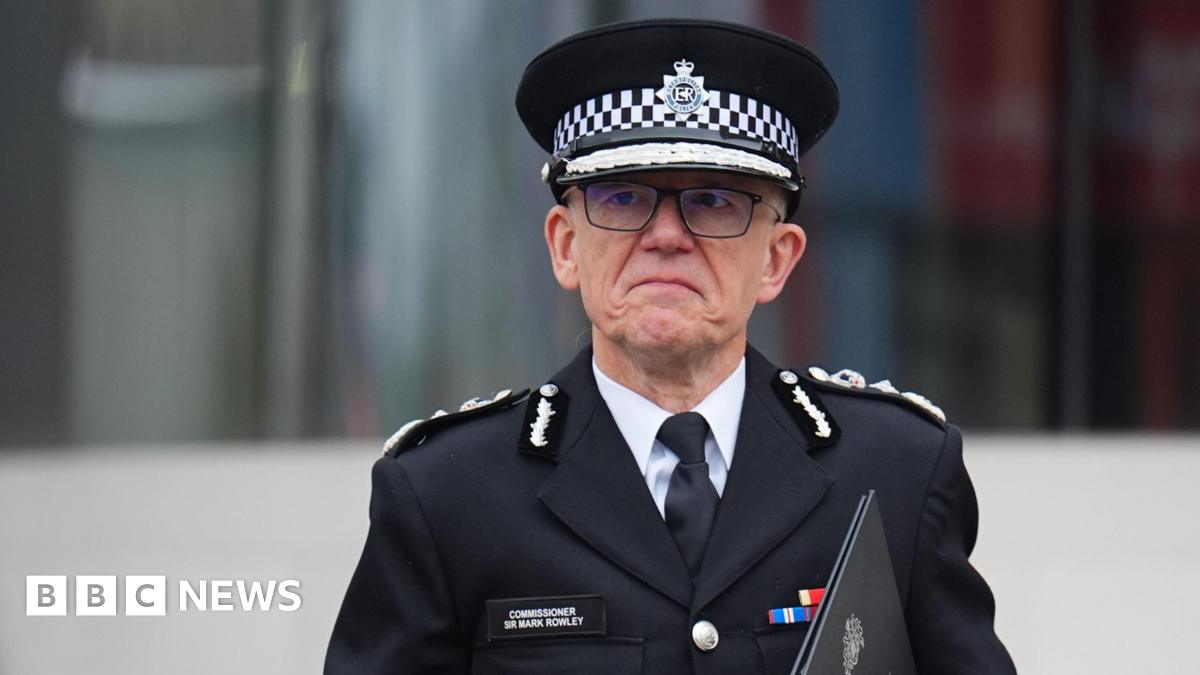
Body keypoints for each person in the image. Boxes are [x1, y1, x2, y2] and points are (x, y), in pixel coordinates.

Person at [325, 18, 1016, 674]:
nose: (665, 235)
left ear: (777, 259)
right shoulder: (449, 496)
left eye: (714, 201)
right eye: (622, 198)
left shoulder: (897, 473)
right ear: (566, 247)